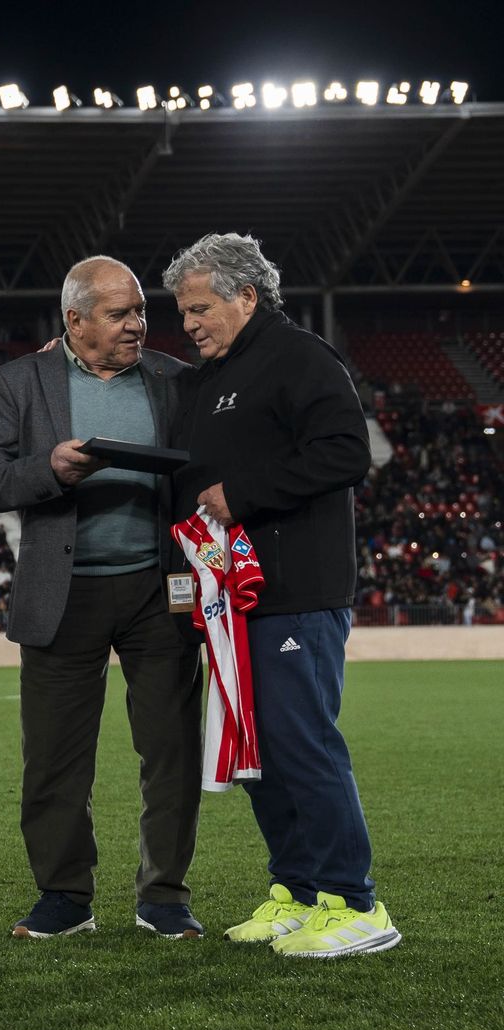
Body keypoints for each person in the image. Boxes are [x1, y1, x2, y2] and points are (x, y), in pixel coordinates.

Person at [165, 232, 399, 958]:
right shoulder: (202, 381)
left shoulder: (299, 356)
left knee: (302, 741)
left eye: (200, 307)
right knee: (255, 749)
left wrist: (243, 494)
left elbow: (344, 452)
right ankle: (299, 892)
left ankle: (356, 903)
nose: (190, 323)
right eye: (182, 312)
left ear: (246, 296)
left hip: (297, 589)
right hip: (228, 602)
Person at [0, 255, 204, 940]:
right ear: (74, 320)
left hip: (162, 592)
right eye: (119, 313)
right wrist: (50, 469)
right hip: (61, 594)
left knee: (172, 752)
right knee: (55, 760)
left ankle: (164, 896)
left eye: (140, 311)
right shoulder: (20, 380)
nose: (138, 324)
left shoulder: (177, 380)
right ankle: (65, 897)